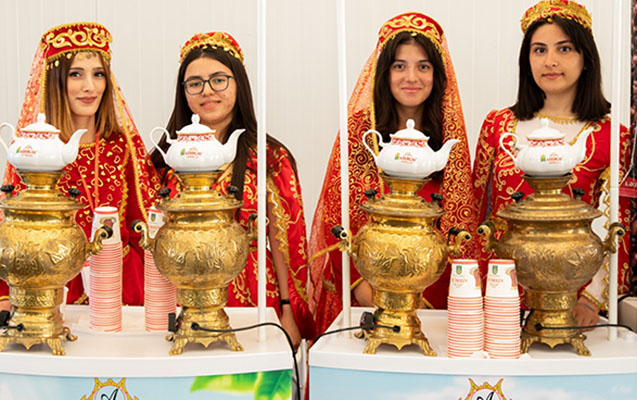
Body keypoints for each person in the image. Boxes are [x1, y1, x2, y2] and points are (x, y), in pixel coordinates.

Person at [308, 12, 478, 335]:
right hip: (368, 301)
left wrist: (419, 303)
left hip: (432, 305)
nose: (411, 77)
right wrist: (371, 294)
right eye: (400, 66)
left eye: (423, 66)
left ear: (437, 74)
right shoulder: (360, 131)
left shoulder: (449, 135)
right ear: (384, 72)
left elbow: (460, 226)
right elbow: (337, 218)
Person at [472, 0, 634, 327]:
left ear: (586, 58)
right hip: (499, 294)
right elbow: (476, 211)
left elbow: (618, 228)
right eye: (539, 50)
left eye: (564, 48)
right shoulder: (498, 125)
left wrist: (592, 299)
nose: (550, 61)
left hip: (571, 298)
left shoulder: (612, 136)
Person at [150, 31, 315, 345]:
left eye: (218, 80)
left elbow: (286, 243)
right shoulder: (165, 160)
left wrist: (287, 310)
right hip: (179, 293)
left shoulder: (268, 157)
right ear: (184, 92)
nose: (207, 91)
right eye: (195, 83)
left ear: (239, 84)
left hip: (254, 295)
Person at [0, 22, 161, 310]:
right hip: (54, 290)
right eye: (76, 74)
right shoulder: (35, 151)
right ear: (54, 81)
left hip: (122, 290)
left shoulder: (122, 146)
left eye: (98, 74)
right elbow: (13, 232)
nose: (90, 86)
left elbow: (145, 230)